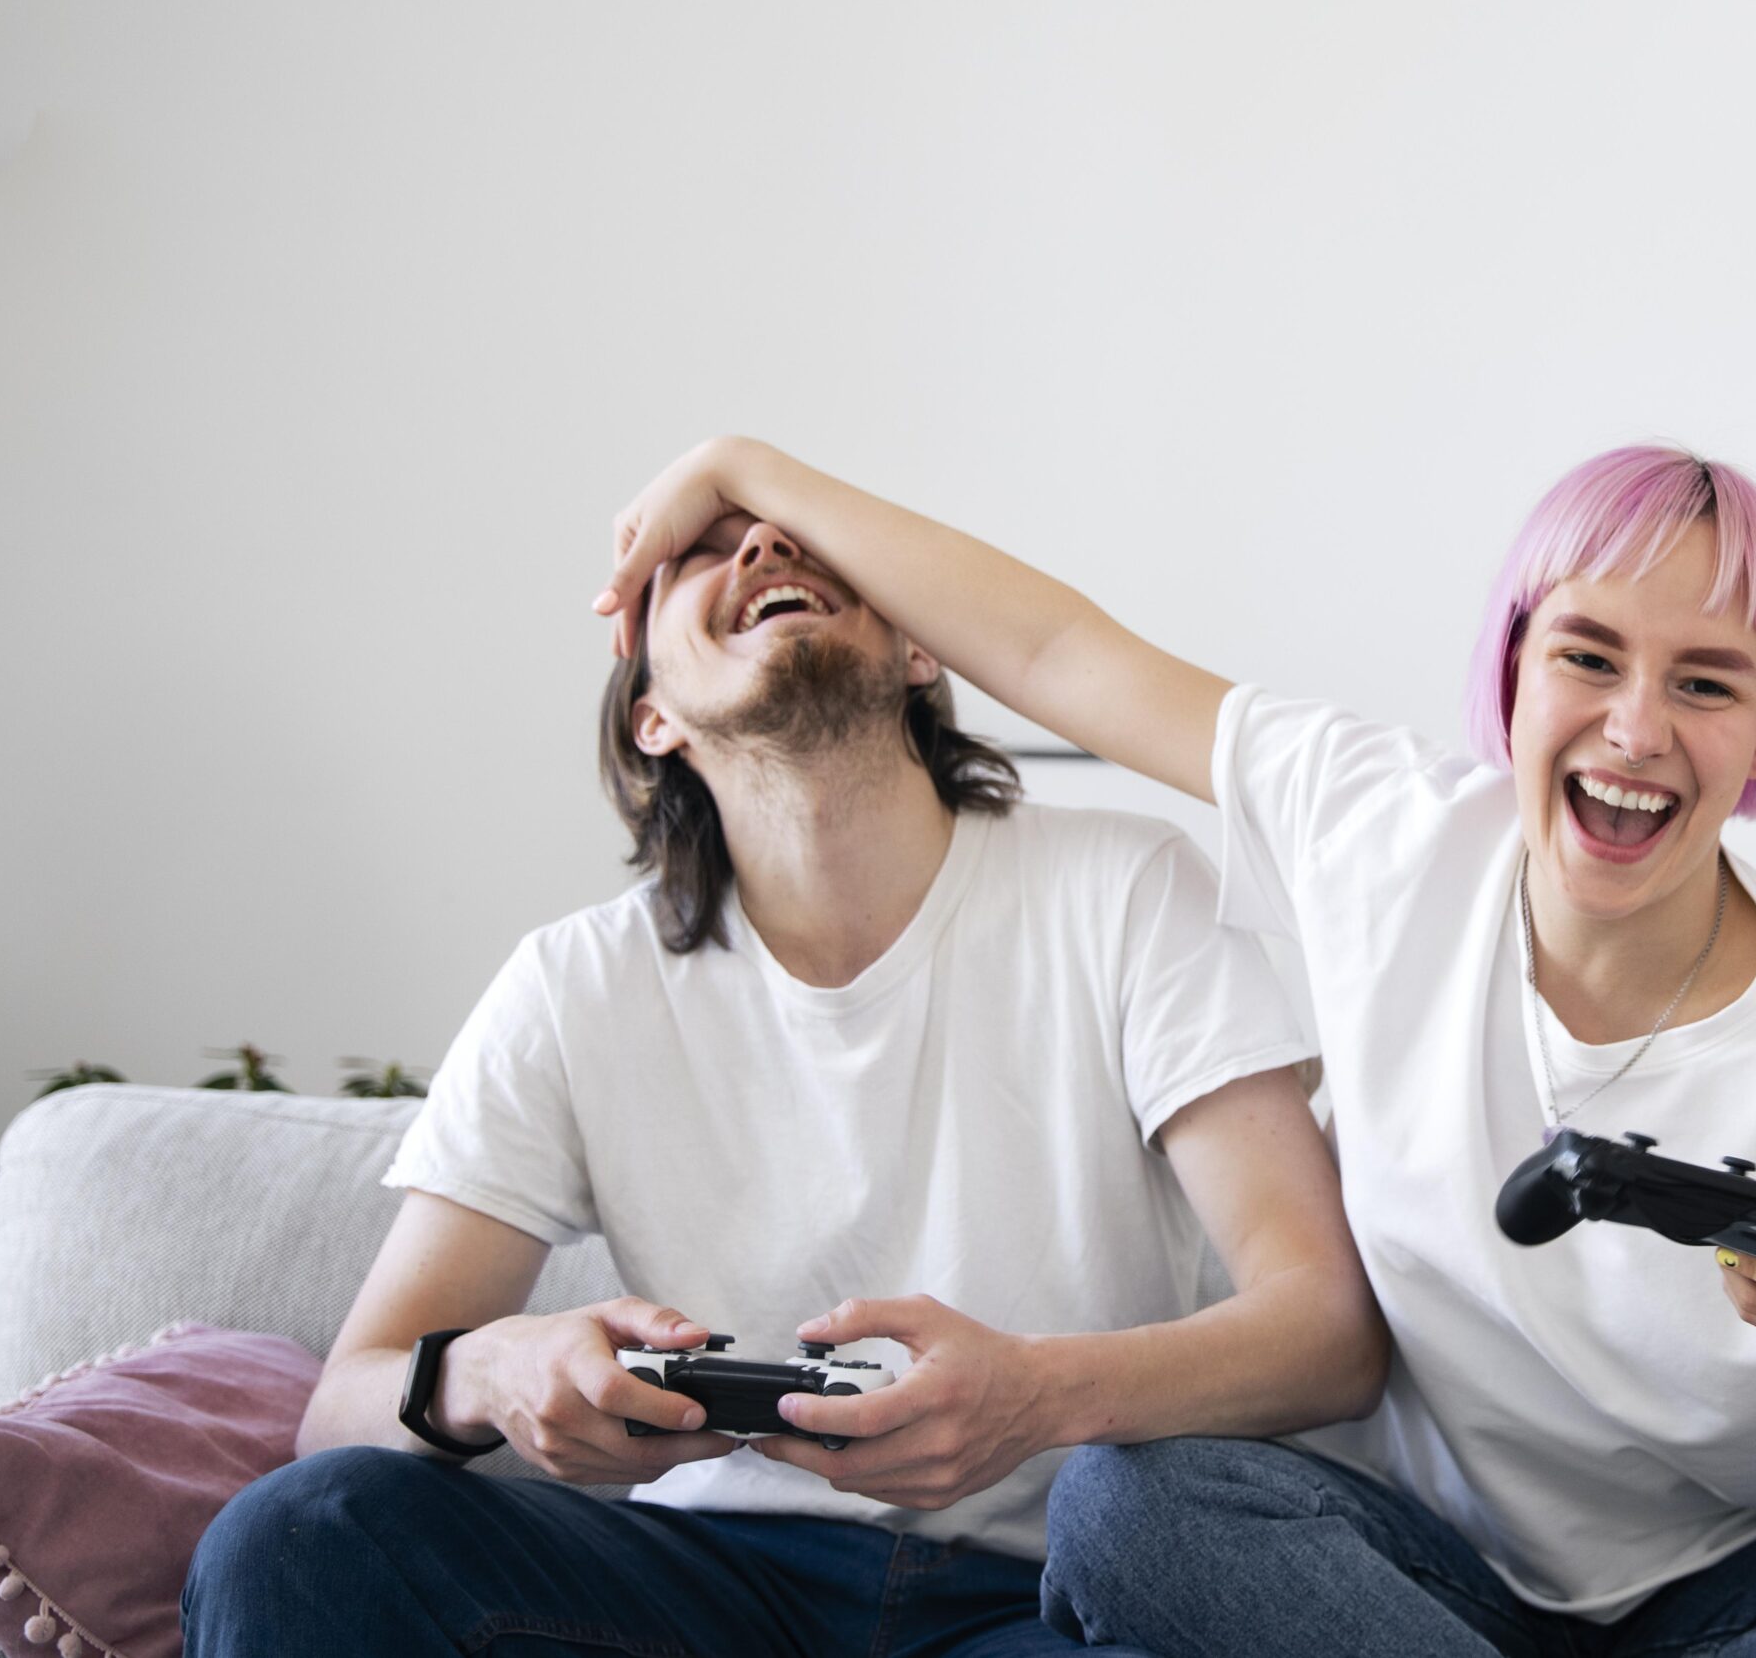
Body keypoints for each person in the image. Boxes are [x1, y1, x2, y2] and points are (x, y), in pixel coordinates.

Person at [591, 437, 1756, 1657]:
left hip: (1726, 1592)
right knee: (1130, 1503)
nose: (1636, 729)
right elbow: (1063, 655)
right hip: (1393, 1573)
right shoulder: (1384, 831)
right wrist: (745, 466)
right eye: (1590, 655)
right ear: (1512, 671)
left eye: (1706, 684)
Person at [182, 513, 1389, 1658]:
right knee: (300, 1536)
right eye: (702, 551)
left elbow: (1326, 1331)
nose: (760, 544)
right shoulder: (574, 982)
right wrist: (492, 1374)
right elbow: (340, 1406)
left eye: (810, 542)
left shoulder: (1128, 890)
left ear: (922, 646)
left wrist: (1033, 1397)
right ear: (652, 713)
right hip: (698, 1576)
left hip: (1034, 1595)